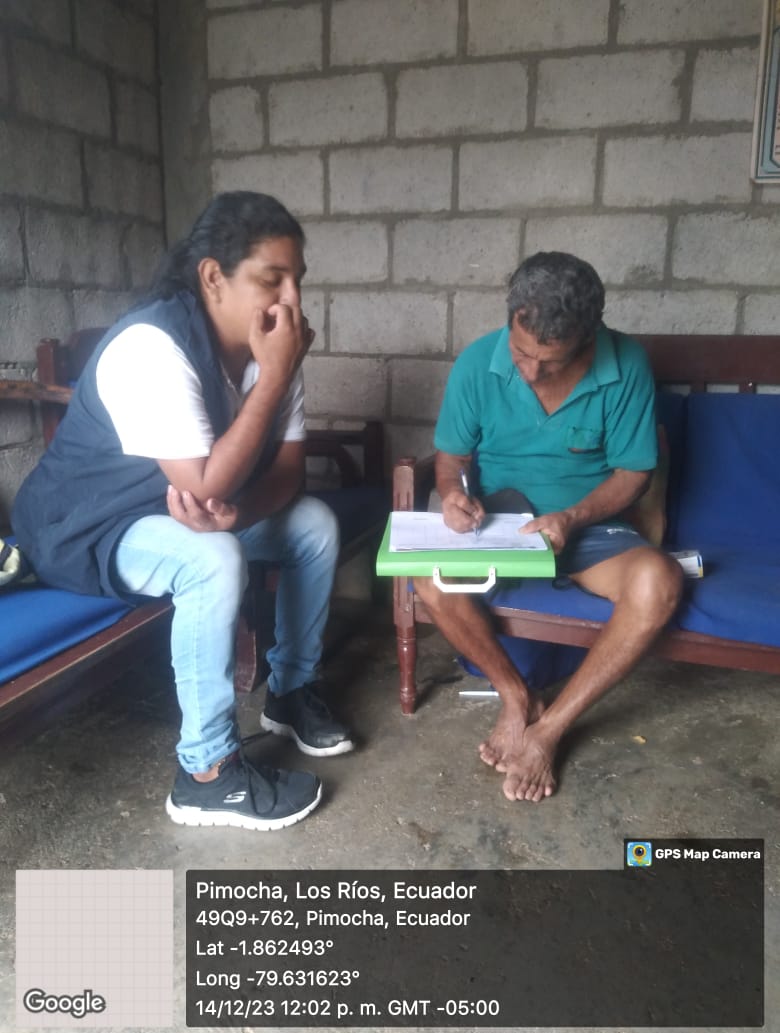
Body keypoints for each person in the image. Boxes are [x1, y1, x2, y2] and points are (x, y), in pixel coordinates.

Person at [12, 191, 355, 831]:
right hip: (84, 528)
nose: (291, 301)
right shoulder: (153, 345)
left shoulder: (270, 351)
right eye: (272, 279)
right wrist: (275, 378)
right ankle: (207, 774)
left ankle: (290, 690)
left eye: (298, 280)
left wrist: (238, 513)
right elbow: (203, 484)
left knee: (314, 524)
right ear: (213, 277)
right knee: (210, 557)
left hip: (173, 514)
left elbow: (288, 476)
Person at [415, 251, 683, 804]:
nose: (531, 371)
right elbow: (451, 459)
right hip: (500, 525)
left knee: (658, 583)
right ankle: (515, 697)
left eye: (550, 361)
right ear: (510, 319)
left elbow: (634, 473)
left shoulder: (626, 363)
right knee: (427, 577)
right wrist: (453, 495)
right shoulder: (477, 363)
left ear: (589, 336)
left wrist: (572, 517)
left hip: (590, 529)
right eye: (521, 353)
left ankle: (550, 730)